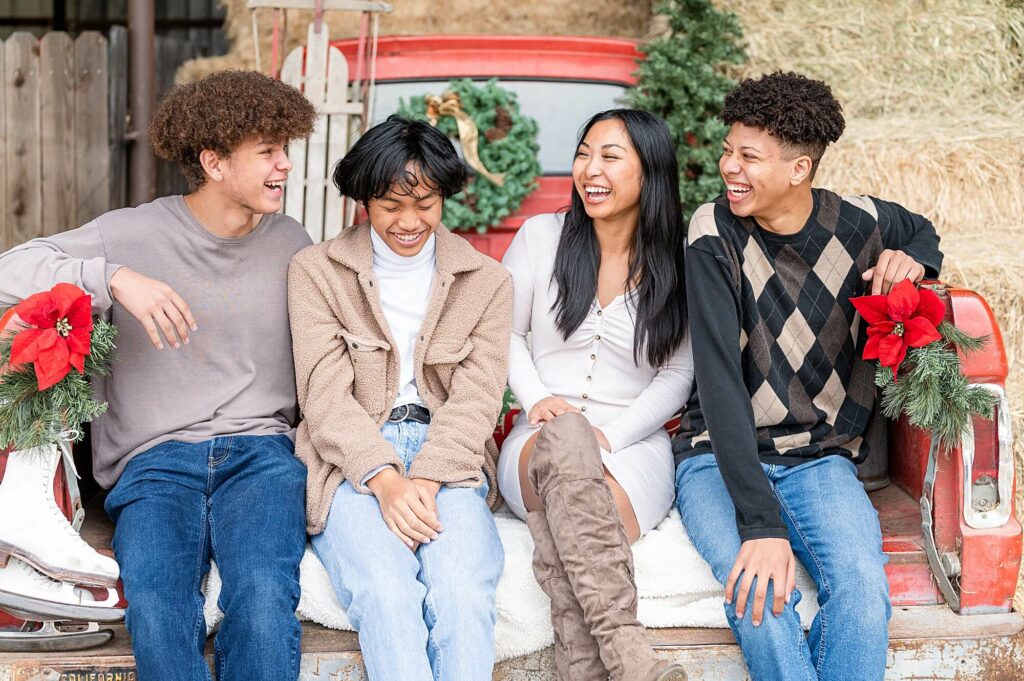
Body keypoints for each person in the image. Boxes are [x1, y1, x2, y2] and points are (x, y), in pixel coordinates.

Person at [0, 71, 316, 680]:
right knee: (158, 603)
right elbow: (11, 266)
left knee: (263, 593)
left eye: (286, 149)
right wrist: (114, 278)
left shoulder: (291, 242)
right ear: (214, 161)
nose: (285, 166)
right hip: (154, 458)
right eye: (268, 153)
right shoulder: (130, 232)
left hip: (262, 453)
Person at [673, 71, 943, 681]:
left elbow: (921, 230)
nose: (728, 168)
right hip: (716, 455)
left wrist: (915, 260)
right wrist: (759, 526)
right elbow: (717, 381)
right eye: (728, 150)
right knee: (762, 603)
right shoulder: (713, 232)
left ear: (799, 168)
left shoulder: (861, 222)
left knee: (863, 597)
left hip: (820, 458)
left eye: (749, 156)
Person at [288, 114, 512, 681]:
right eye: (391, 205)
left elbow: (478, 397)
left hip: (451, 460)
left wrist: (429, 477)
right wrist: (385, 479)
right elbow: (324, 395)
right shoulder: (317, 272)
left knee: (462, 590)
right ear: (364, 198)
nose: (410, 221)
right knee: (386, 591)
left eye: (426, 203)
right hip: (351, 461)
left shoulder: (485, 280)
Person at [498, 109, 693, 681]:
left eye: (610, 156)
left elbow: (677, 374)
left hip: (633, 445)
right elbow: (503, 332)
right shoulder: (541, 237)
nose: (590, 169)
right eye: (584, 153)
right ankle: (632, 659)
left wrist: (610, 434)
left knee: (574, 542)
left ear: (649, 172)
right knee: (566, 440)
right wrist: (535, 399)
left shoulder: (681, 261)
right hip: (540, 435)